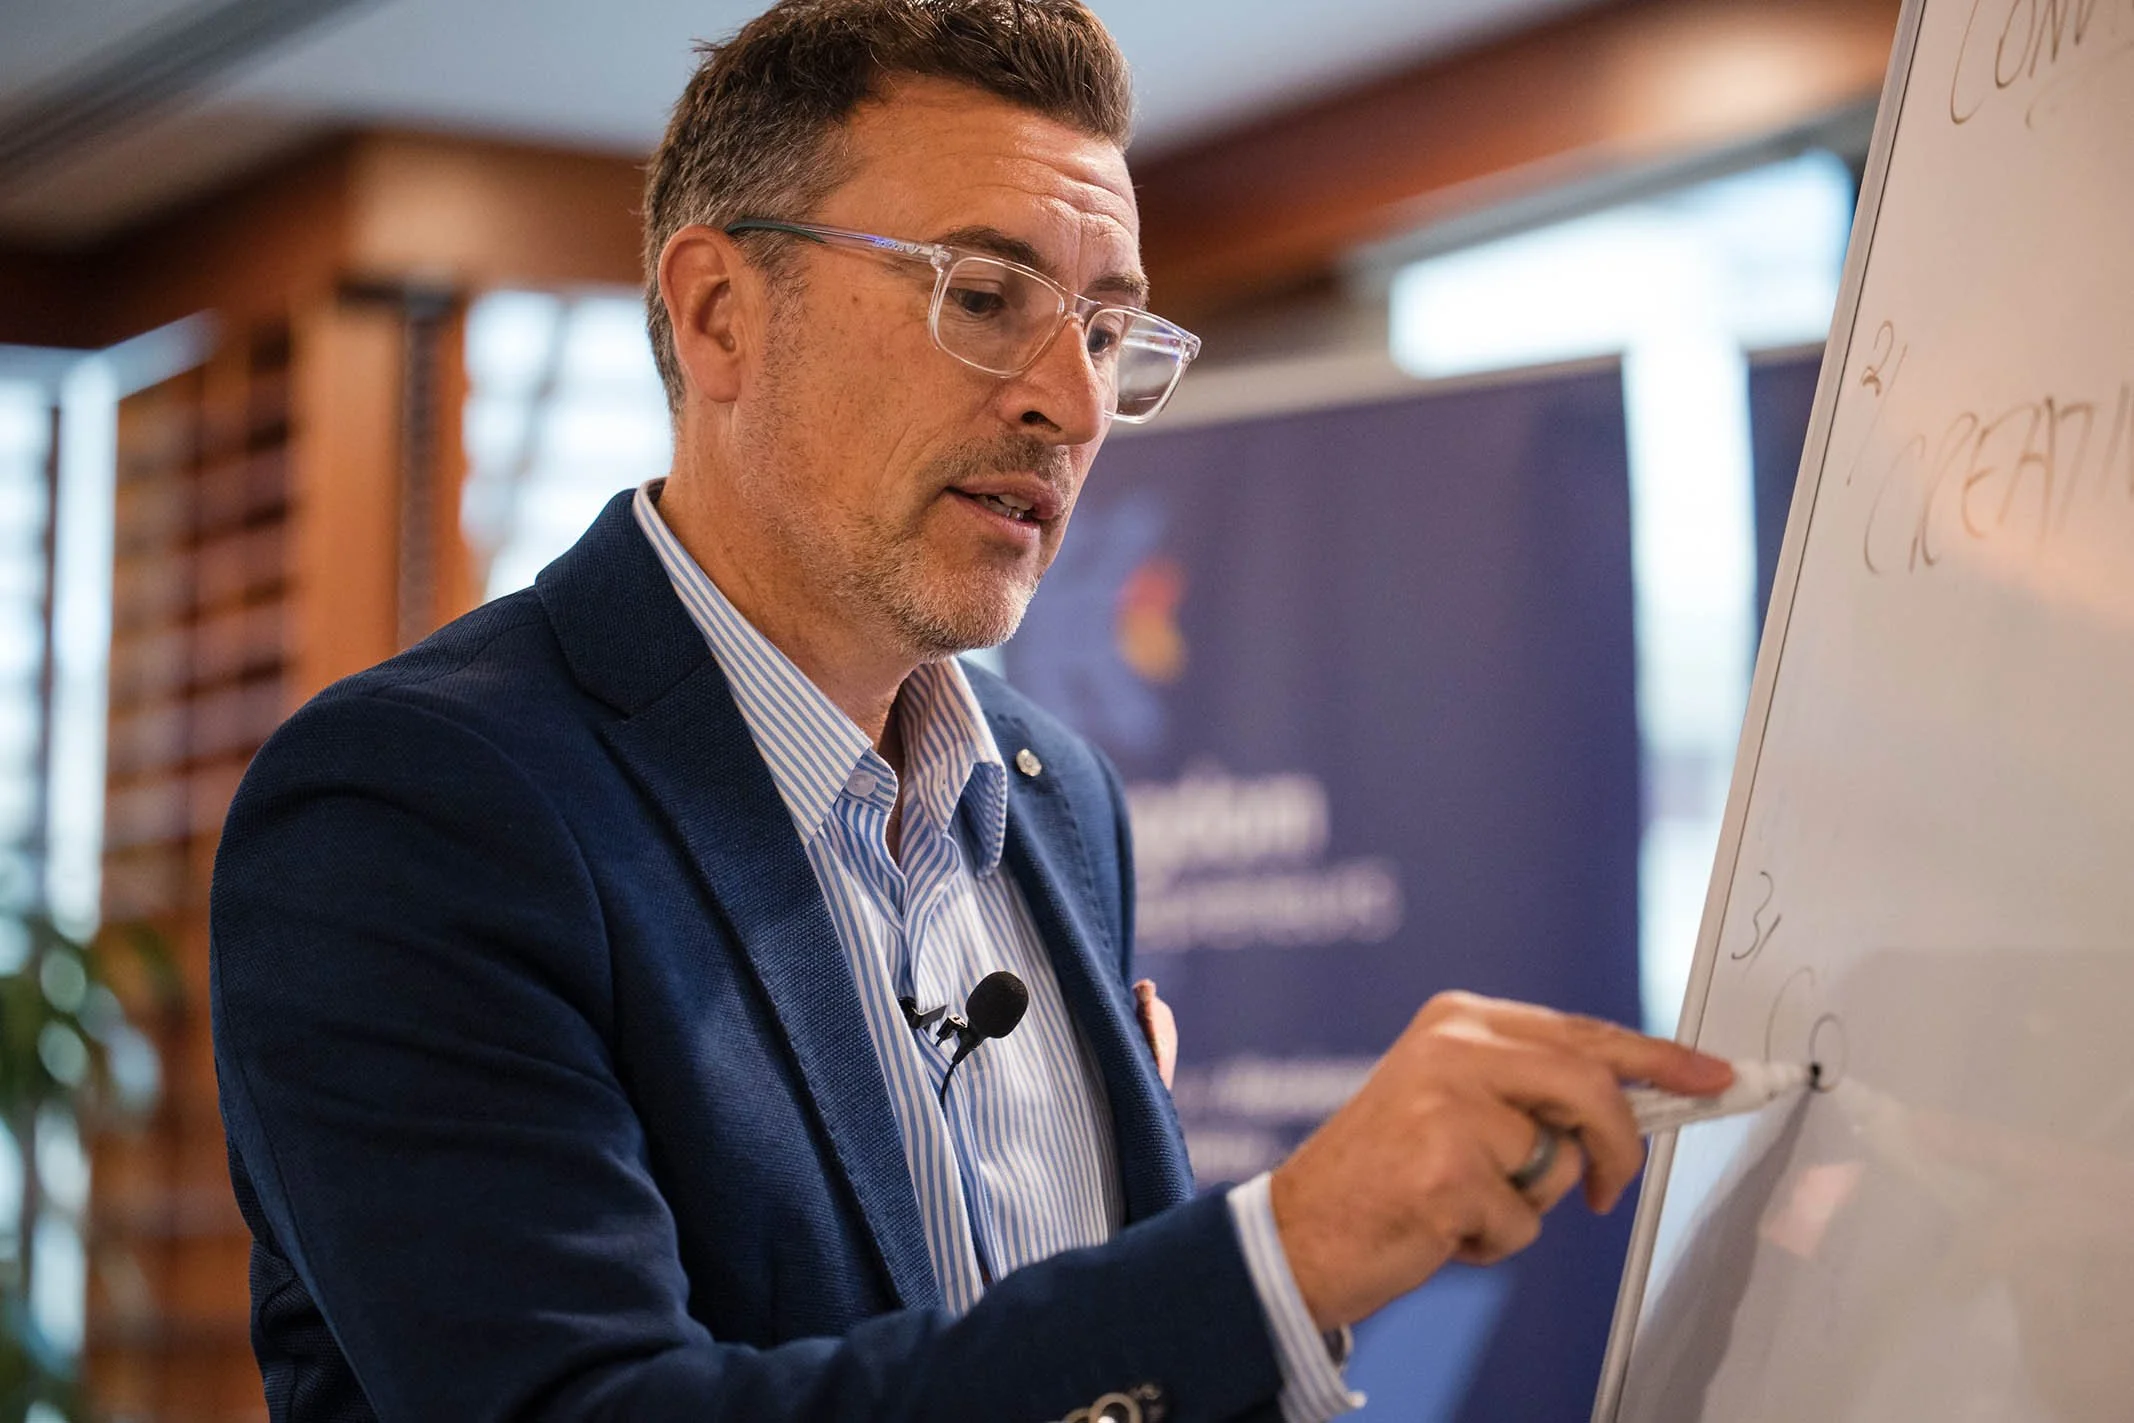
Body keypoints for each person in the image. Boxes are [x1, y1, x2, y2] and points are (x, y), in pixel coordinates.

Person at [209, 3, 1732, 1420]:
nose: (1069, 403)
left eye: (1105, 329)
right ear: (720, 311)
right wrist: (1274, 1256)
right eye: (987, 296)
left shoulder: (1054, 791)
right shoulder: (415, 806)